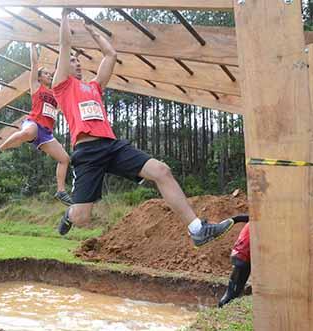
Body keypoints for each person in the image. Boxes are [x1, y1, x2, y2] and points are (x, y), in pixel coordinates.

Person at [52, 10, 234, 247]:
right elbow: (64, 44)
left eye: (78, 61)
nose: (76, 64)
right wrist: (65, 15)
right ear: (62, 67)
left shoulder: (94, 87)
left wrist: (93, 31)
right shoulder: (62, 87)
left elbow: (111, 54)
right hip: (87, 153)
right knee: (81, 217)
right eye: (72, 61)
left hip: (112, 145)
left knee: (161, 171)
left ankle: (197, 229)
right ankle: (69, 215)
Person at [0, 43, 72, 206]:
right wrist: (32, 46)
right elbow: (34, 64)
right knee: (29, 132)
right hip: (33, 123)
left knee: (65, 159)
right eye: (46, 73)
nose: (49, 75)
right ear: (38, 77)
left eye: (50, 74)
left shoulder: (56, 93)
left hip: (46, 134)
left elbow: (66, 81)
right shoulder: (36, 87)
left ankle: (61, 191)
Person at [219, 214, 251, 307]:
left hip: (240, 254)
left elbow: (244, 217)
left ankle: (225, 305)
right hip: (243, 255)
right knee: (233, 291)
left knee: (235, 289)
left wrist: (234, 219)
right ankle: (222, 307)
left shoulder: (258, 219)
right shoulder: (264, 221)